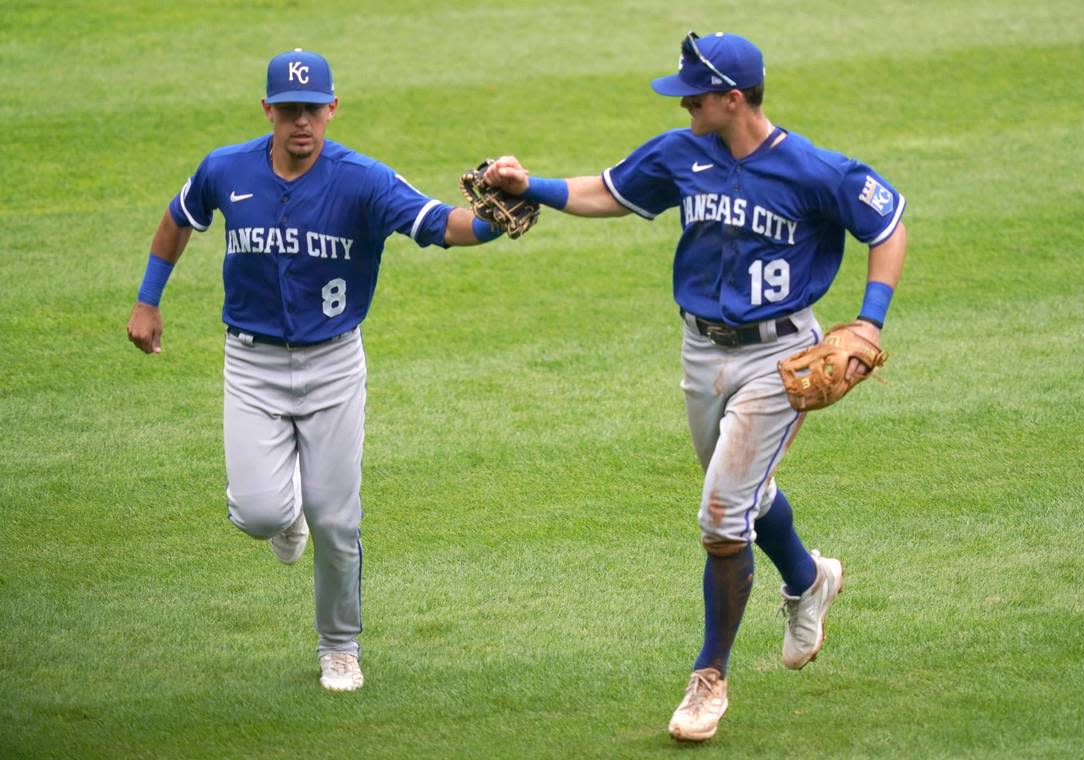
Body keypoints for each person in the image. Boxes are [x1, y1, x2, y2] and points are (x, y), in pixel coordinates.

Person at [484, 31, 907, 741]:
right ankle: (809, 578)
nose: (683, 102)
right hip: (700, 350)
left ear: (732, 99)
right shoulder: (681, 152)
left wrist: (869, 321)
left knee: (720, 516)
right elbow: (608, 193)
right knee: (745, 493)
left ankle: (708, 679)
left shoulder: (812, 171)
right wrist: (535, 190)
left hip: (778, 360)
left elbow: (887, 221)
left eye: (695, 93)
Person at [126, 49, 511, 692]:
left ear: (332, 108)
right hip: (251, 362)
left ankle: (339, 645)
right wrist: (147, 298)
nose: (301, 121)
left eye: (313, 108)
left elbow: (441, 224)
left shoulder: (363, 179)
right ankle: (286, 515)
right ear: (268, 110)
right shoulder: (226, 169)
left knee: (337, 518)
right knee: (259, 516)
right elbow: (177, 217)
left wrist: (494, 223)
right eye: (289, 109)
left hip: (333, 363)